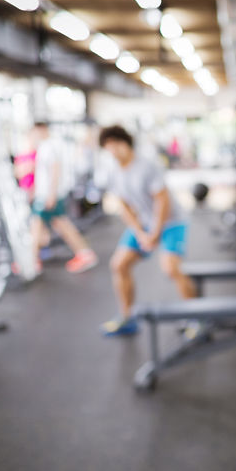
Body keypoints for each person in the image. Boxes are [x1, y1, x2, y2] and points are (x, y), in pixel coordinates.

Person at [97, 125, 197, 336]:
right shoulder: (113, 172)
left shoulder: (147, 165)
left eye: (115, 145)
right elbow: (123, 205)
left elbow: (162, 201)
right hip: (144, 223)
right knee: (119, 265)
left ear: (125, 143)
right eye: (108, 147)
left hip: (171, 222)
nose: (112, 151)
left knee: (171, 269)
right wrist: (141, 233)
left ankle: (197, 318)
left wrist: (155, 233)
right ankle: (127, 318)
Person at [28, 122, 97, 274]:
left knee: (39, 224)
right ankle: (84, 253)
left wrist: (51, 195)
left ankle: (32, 262)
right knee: (57, 224)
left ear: (41, 130)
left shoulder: (49, 147)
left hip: (49, 195)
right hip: (46, 194)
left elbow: (55, 170)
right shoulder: (45, 146)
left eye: (34, 132)